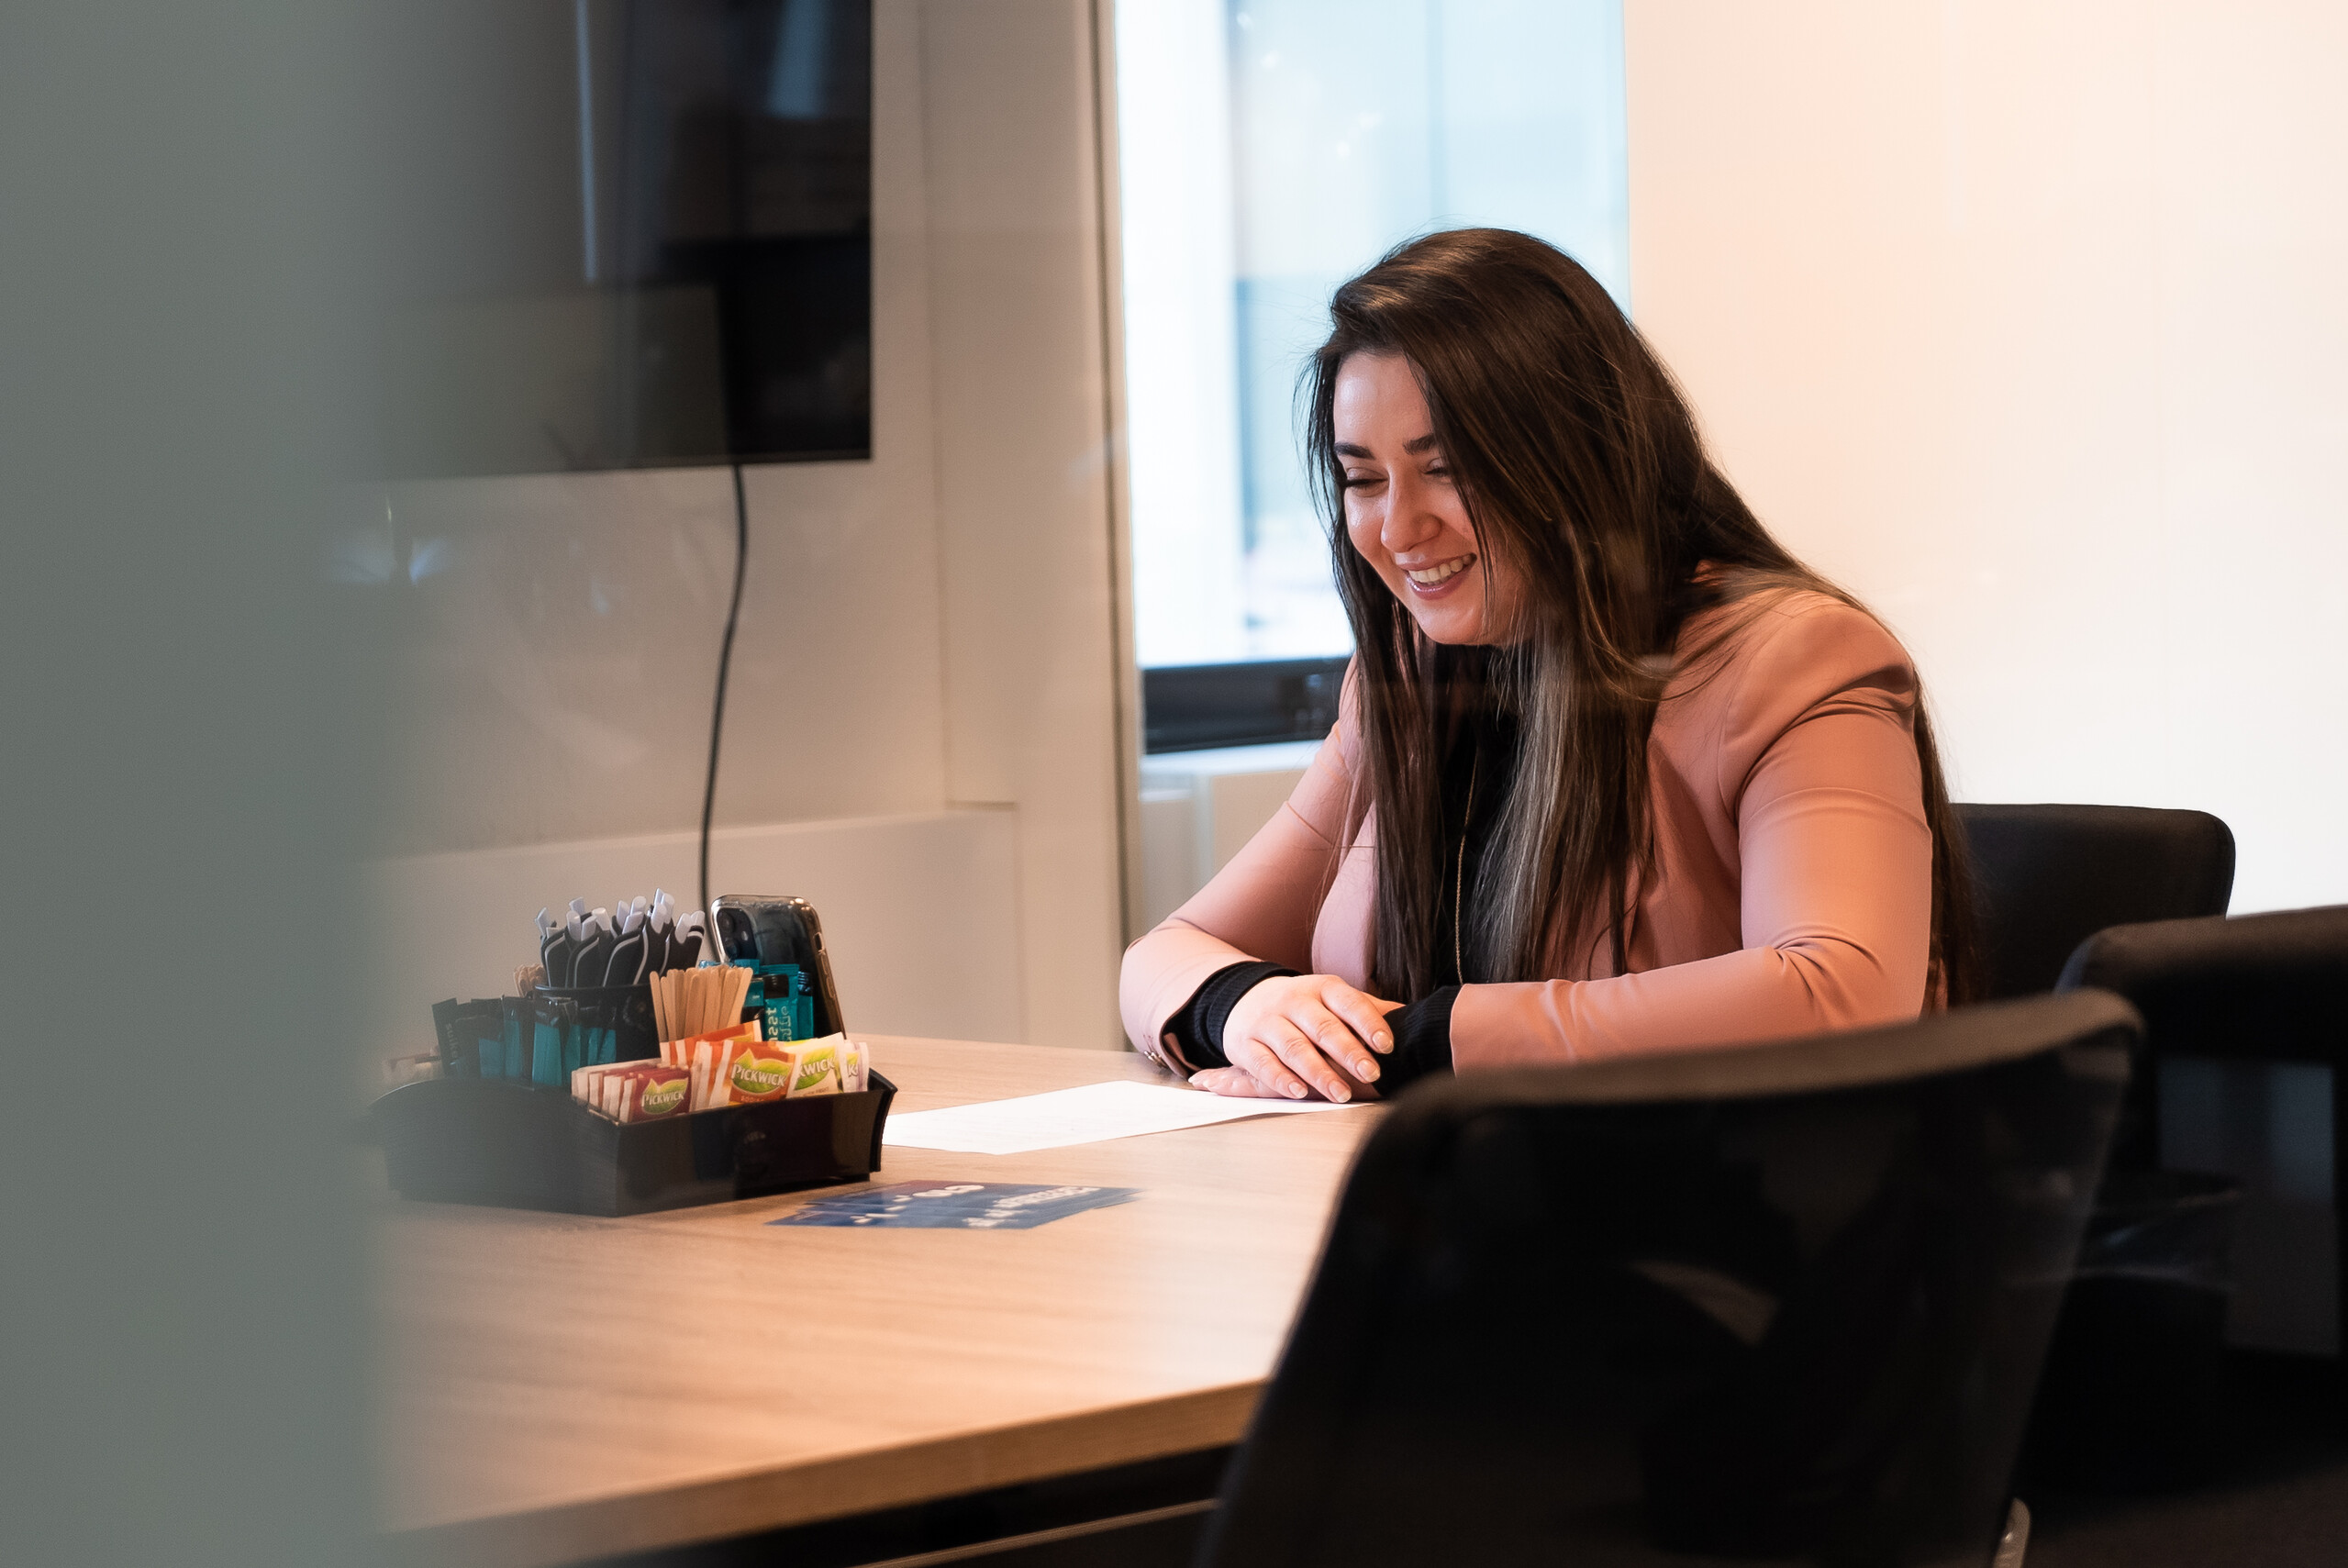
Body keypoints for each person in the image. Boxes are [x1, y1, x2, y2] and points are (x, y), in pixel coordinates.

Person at [1119, 228, 1979, 1103]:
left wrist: (1422, 1044)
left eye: (1444, 469)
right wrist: (1247, 1008)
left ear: (1573, 457)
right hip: (1426, 1175)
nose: (1399, 528)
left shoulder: (1794, 657)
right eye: (1363, 480)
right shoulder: (1406, 681)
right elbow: (1167, 954)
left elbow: (1839, 991)